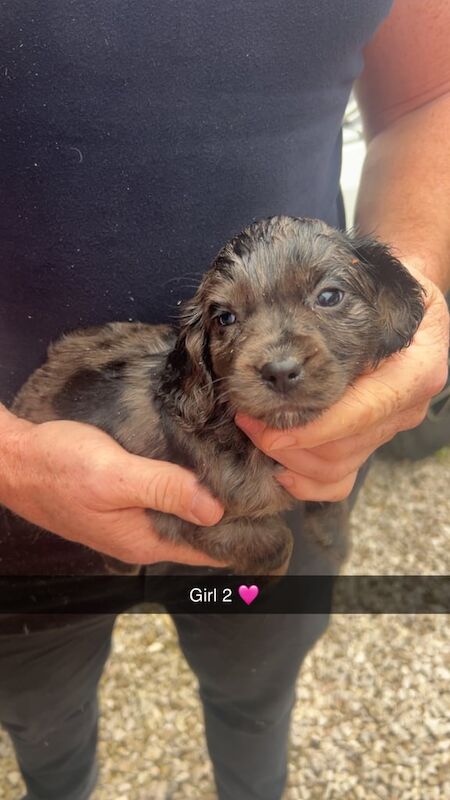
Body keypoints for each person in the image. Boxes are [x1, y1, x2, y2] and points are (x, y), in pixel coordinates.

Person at [0, 1, 449, 799]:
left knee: (253, 691)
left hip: (296, 500)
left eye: (330, 297)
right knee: (44, 721)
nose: (276, 358)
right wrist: (11, 460)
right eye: (227, 319)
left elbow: (429, 96)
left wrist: (414, 301)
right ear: (200, 352)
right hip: (18, 524)